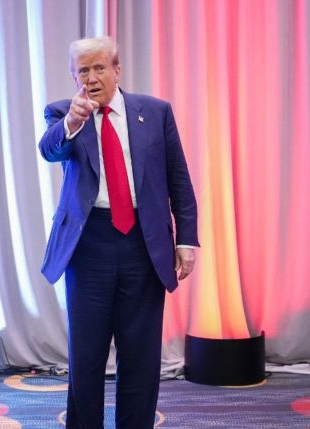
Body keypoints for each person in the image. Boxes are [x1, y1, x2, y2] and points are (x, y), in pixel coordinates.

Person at [38, 36, 199, 429]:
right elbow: (49, 149)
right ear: (74, 77)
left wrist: (186, 239)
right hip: (89, 245)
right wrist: (72, 122)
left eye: (99, 68)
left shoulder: (155, 112)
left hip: (144, 245)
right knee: (86, 357)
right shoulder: (63, 113)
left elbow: (178, 178)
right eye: (83, 71)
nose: (92, 78)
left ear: (116, 70)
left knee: (141, 356)